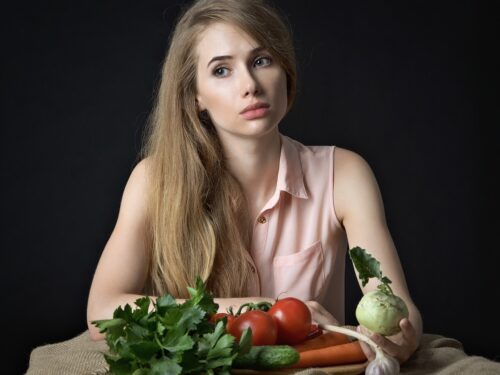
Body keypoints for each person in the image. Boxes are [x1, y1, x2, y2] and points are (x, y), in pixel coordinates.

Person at [86, 0, 423, 365]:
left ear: (285, 71)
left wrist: (402, 336)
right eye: (221, 70)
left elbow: (395, 304)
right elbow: (103, 312)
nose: (250, 85)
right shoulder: (153, 182)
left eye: (261, 61)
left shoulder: (345, 173)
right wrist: (267, 308)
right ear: (195, 96)